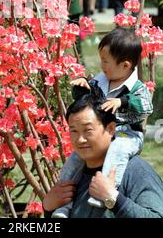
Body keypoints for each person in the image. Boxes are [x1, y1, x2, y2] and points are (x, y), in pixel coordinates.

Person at [50, 27, 153, 217]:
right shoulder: (100, 80)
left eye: (106, 61)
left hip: (126, 135)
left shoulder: (137, 88)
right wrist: (82, 88)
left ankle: (105, 191)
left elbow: (146, 107)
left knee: (117, 150)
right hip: (103, 135)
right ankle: (62, 206)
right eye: (101, 59)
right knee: (73, 161)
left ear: (125, 65)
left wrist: (122, 101)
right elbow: (87, 105)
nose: (102, 65)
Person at [42, 90, 163, 218]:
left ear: (111, 128)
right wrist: (48, 208)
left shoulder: (135, 170)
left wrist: (114, 199)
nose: (80, 139)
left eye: (88, 130)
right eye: (74, 131)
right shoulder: (74, 175)